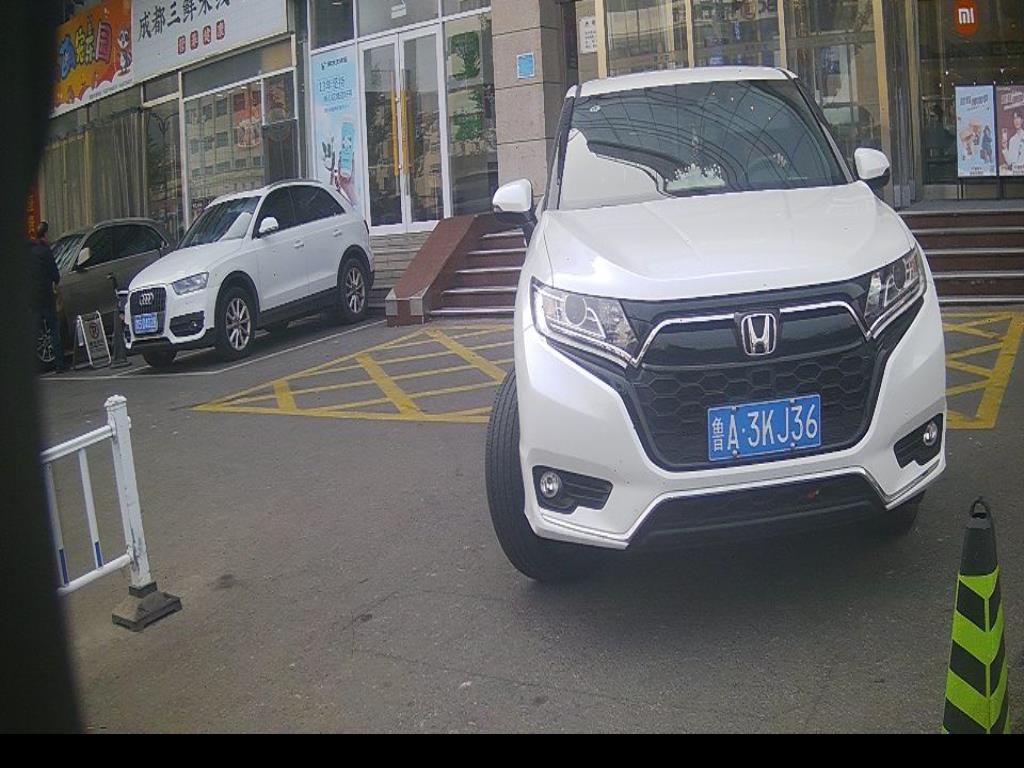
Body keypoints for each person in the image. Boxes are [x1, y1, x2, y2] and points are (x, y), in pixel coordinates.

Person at [30, 221, 65, 372]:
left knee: (35, 330)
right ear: (45, 235)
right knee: (54, 330)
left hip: (33, 298)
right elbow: (55, 275)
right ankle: (59, 364)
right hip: (46, 296)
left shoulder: (30, 252)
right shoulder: (45, 252)